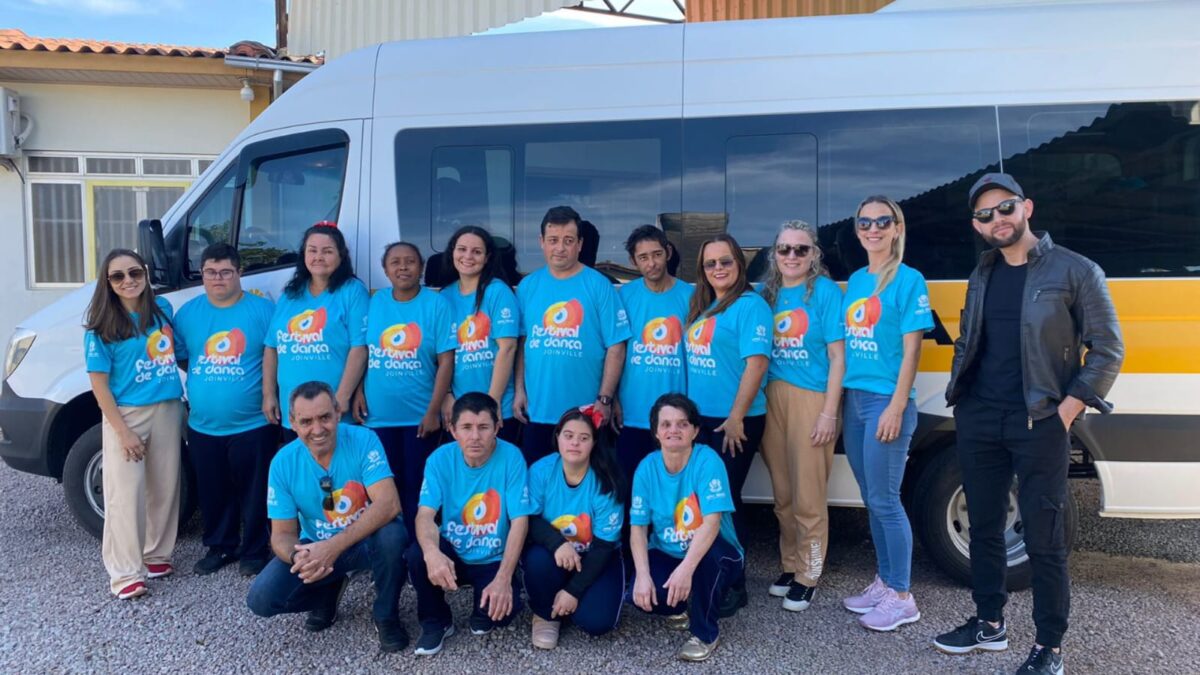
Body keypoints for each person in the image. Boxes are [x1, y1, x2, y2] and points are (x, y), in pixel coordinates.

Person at [934, 173, 1124, 675]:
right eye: (984, 215)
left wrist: (1066, 410)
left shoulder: (1076, 271)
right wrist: (963, 396)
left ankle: (1049, 647)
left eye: (1005, 208)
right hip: (979, 417)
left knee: (1044, 536)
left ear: (1027, 208)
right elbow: (967, 341)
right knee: (985, 527)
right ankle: (989, 622)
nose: (997, 220)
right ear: (976, 226)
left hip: (1039, 420)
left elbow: (1108, 351)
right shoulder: (982, 272)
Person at [246, 381, 410, 653]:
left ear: (337, 412)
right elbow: (282, 534)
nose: (317, 429)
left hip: (363, 543)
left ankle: (386, 614)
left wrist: (332, 548)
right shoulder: (282, 462)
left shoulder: (363, 439)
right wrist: (299, 558)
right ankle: (327, 591)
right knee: (261, 600)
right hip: (316, 548)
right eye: (306, 421)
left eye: (324, 417)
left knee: (393, 535)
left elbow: (389, 504)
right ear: (292, 422)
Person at [839, 196, 933, 632]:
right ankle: (885, 580)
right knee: (872, 498)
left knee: (886, 499)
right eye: (865, 222)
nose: (873, 228)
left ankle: (901, 596)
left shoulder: (909, 280)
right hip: (855, 399)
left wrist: (896, 405)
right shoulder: (857, 279)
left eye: (882, 221)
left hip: (885, 402)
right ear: (857, 230)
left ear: (896, 228)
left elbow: (913, 349)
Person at [84, 248, 185, 600]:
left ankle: (156, 554)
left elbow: (180, 353)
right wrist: (122, 431)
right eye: (118, 276)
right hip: (126, 414)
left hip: (168, 408)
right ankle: (125, 572)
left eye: (135, 273)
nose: (128, 281)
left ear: (144, 275)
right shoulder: (101, 327)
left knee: (164, 486)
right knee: (124, 494)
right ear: (108, 283)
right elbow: (99, 384)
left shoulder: (163, 312)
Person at [174, 243, 277, 577]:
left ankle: (254, 550)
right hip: (204, 425)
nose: (218, 278)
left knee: (255, 490)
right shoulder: (187, 313)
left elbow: (271, 357)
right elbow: (183, 357)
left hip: (253, 423)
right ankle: (220, 547)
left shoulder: (262, 310)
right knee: (214, 491)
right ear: (202, 275)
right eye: (210, 272)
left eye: (225, 272)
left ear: (239, 274)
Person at [758, 220, 845, 611]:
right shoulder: (767, 293)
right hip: (770, 396)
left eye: (801, 249)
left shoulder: (825, 293)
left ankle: (809, 574)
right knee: (783, 493)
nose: (791, 256)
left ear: (814, 255)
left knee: (809, 494)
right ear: (774, 254)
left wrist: (830, 412)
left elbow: (837, 356)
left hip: (812, 397)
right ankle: (790, 564)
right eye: (784, 249)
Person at [405, 392, 533, 656]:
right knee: (418, 554)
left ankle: (483, 606)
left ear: (498, 427)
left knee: (498, 617)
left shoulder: (512, 458)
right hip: (453, 553)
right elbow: (425, 515)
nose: (475, 436)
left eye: (484, 427)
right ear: (452, 430)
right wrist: (432, 554)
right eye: (466, 427)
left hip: (492, 557)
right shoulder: (439, 459)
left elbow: (520, 521)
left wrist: (504, 578)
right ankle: (435, 621)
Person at [683, 233, 771, 614]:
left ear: (739, 264)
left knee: (725, 502)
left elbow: (757, 364)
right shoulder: (708, 306)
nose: (718, 268)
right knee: (707, 502)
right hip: (702, 420)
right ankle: (713, 574)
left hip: (734, 421)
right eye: (710, 263)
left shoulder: (751, 306)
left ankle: (735, 584)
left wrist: (736, 417)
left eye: (725, 261)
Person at [630, 393, 745, 663]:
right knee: (641, 592)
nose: (674, 430)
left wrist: (685, 569)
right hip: (668, 550)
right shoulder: (646, 467)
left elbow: (712, 522)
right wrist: (643, 575)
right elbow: (637, 528)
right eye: (666, 424)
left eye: (682, 424)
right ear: (656, 432)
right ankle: (678, 607)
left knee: (708, 561)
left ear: (694, 431)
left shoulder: (708, 461)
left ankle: (705, 633)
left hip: (718, 550)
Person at [514, 206, 631, 463]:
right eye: (553, 240)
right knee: (539, 491)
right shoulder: (527, 287)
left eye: (568, 241)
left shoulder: (599, 285)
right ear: (541, 242)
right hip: (539, 413)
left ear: (579, 244)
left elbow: (616, 347)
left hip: (586, 416)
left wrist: (605, 399)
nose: (560, 248)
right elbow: (521, 344)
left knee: (589, 491)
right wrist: (519, 390)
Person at [354, 242, 455, 535]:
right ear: (385, 270)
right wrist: (358, 389)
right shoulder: (375, 302)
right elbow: (364, 352)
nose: (403, 267)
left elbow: (446, 362)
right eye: (395, 262)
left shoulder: (436, 304)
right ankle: (388, 546)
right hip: (378, 416)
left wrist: (434, 411)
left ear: (421, 267)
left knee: (416, 484)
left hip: (419, 416)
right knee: (382, 486)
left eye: (410, 261)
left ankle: (417, 544)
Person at [523, 407, 625, 649]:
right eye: (568, 435)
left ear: (594, 442)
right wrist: (558, 544)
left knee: (597, 623)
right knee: (536, 559)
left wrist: (574, 591)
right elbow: (528, 519)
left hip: (595, 555)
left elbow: (603, 545)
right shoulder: (541, 471)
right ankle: (545, 614)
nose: (575, 443)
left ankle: (567, 599)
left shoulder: (605, 480)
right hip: (554, 554)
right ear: (557, 436)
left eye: (583, 437)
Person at [264, 223, 369, 442]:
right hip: (294, 413)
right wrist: (269, 394)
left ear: (341, 256)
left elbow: (359, 348)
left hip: (332, 412)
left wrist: (343, 396)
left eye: (327, 251)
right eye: (312, 250)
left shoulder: (352, 291)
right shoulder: (290, 294)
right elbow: (272, 347)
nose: (318, 257)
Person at [614, 225, 692, 483]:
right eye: (643, 257)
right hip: (632, 413)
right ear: (633, 261)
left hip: (676, 418)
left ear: (668, 252)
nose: (652, 263)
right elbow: (615, 350)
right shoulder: (624, 296)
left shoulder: (692, 297)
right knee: (631, 485)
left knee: (675, 487)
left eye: (657, 254)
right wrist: (612, 397)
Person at [439, 226, 521, 444]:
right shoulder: (444, 297)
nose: (468, 257)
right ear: (452, 252)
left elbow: (508, 348)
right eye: (462, 249)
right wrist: (447, 395)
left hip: (497, 409)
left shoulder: (497, 292)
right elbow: (440, 354)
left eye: (476, 252)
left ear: (487, 258)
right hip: (459, 410)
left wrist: (491, 404)